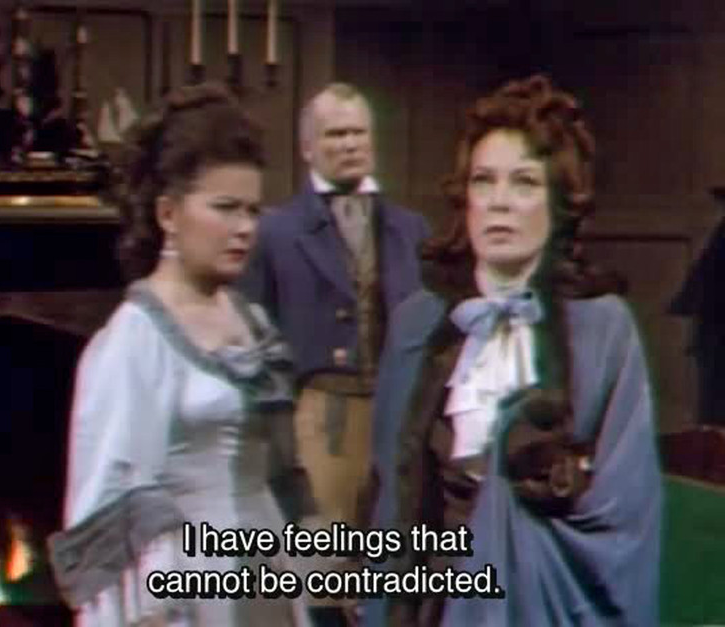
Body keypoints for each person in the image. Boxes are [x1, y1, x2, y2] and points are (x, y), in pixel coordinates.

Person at [365, 75, 662, 626]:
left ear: (558, 201)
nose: (499, 201)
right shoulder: (417, 325)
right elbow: (387, 488)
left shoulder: (601, 329)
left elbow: (625, 509)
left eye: (524, 182)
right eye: (484, 181)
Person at [50, 83, 314, 626]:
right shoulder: (133, 341)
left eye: (252, 210)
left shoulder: (251, 321)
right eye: (225, 209)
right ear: (169, 213)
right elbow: (109, 500)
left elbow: (281, 471)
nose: (245, 228)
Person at [239, 82, 430, 625]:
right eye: (335, 133)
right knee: (320, 575)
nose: (350, 144)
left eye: (358, 132)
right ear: (307, 147)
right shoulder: (275, 233)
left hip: (400, 418)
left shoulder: (411, 229)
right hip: (319, 422)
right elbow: (253, 339)